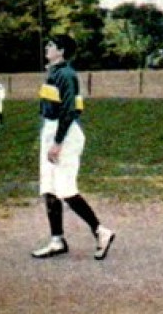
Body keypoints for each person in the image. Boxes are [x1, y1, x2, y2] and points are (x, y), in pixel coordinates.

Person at [31, 34, 114, 261]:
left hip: (64, 134)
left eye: (51, 45)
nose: (46, 47)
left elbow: (69, 111)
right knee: (49, 188)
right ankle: (57, 240)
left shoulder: (66, 75)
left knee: (65, 189)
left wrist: (57, 143)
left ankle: (101, 231)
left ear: (62, 51)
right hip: (52, 130)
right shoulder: (54, 73)